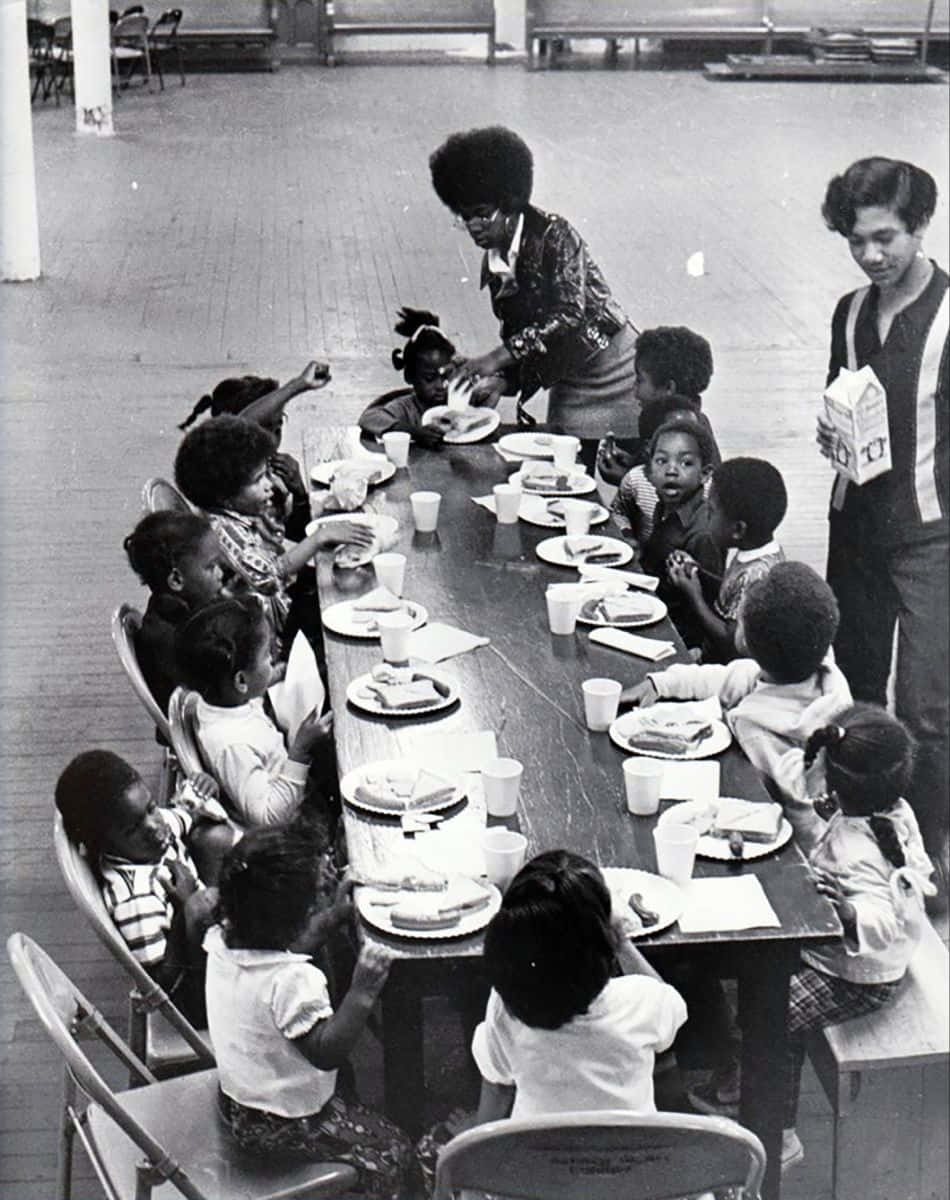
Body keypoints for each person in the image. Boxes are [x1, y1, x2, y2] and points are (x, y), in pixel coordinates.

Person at [692, 705, 935, 1171]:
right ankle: (750, 1089)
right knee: (765, 985)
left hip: (860, 975)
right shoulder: (894, 812)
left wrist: (847, 913)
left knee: (771, 1011)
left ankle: (775, 1132)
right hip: (852, 956)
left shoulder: (859, 849)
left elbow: (885, 917)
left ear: (841, 788)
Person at [816, 157, 948, 905]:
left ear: (920, 225)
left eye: (886, 238)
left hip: (933, 538)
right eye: (857, 241)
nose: (872, 256)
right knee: (858, 690)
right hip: (857, 531)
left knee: (928, 708)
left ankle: (929, 854)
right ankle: (861, 844)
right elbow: (839, 396)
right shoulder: (848, 311)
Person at [205, 825, 417, 1199]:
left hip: (241, 1099)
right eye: (318, 893)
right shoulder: (291, 981)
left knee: (356, 1101)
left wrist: (331, 916)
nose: (326, 888)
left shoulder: (225, 939)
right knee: (395, 1149)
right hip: (282, 1123)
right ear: (293, 918)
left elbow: (283, 943)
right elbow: (326, 1052)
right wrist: (362, 989)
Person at [429, 126, 639, 468]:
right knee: (566, 470)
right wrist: (502, 381)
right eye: (465, 216)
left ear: (510, 202)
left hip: (621, 371)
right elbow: (529, 338)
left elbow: (570, 314)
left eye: (483, 213)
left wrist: (496, 358)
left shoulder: (556, 234)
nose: (474, 226)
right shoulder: (495, 262)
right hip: (570, 380)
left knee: (638, 473)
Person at [623, 562, 852, 793]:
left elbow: (794, 800)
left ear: (743, 640)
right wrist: (661, 683)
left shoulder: (756, 732)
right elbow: (718, 679)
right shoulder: (816, 670)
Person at [54, 749, 232, 1025]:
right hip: (200, 1000)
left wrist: (203, 788)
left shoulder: (148, 838)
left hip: (208, 941)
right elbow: (163, 983)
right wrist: (186, 908)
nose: (154, 825)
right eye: (133, 829)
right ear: (104, 843)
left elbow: (183, 815)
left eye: (150, 807)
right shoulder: (136, 899)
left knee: (214, 837)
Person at [174, 415, 373, 644]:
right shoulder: (225, 532)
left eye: (267, 473)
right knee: (351, 607)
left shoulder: (237, 511)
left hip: (282, 602)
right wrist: (320, 537)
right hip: (272, 631)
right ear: (225, 496)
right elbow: (271, 573)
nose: (269, 484)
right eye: (258, 480)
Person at [177, 597, 334, 832]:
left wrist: (276, 674)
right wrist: (300, 750)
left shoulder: (220, 700)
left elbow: (250, 699)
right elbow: (267, 817)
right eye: (266, 655)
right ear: (241, 680)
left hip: (296, 784)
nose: (274, 655)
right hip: (296, 826)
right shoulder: (232, 745)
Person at [177, 360, 330, 543]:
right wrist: (296, 386)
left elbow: (297, 534)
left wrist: (299, 494)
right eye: (263, 429)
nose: (272, 440)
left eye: (278, 428)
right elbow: (233, 433)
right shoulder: (224, 479)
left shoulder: (270, 475)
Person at [667, 457, 787, 663]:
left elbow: (730, 640)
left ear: (738, 530)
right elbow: (731, 591)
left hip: (724, 670)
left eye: (712, 512)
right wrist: (696, 572)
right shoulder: (758, 553)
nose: (706, 517)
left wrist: (693, 595)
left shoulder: (756, 575)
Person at [123, 511, 229, 719]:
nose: (221, 574)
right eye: (211, 567)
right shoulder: (172, 637)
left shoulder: (183, 609)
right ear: (177, 580)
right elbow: (216, 696)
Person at [638, 418, 723, 649]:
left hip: (678, 636)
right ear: (648, 472)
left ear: (704, 475)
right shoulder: (663, 506)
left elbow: (709, 603)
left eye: (685, 463)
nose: (672, 470)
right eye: (662, 461)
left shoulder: (703, 532)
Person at [598, 325, 719, 483]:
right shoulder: (693, 421)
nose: (635, 391)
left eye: (640, 380)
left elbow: (674, 498)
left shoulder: (681, 438)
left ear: (669, 388)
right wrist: (633, 464)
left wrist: (625, 479)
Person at [610, 396, 720, 548]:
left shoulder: (709, 493)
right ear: (650, 448)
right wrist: (627, 535)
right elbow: (619, 511)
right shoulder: (634, 480)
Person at [358, 308, 455, 448]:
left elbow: (488, 393)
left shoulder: (457, 402)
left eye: (446, 375)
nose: (441, 386)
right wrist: (414, 432)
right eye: (429, 378)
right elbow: (368, 419)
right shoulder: (406, 408)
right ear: (410, 377)